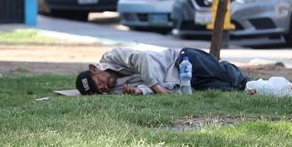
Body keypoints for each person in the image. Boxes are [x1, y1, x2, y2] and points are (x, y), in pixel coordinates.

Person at [75, 47, 249, 95]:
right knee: (227, 90)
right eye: (101, 90)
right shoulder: (115, 91)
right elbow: (144, 87)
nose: (104, 87)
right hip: (181, 81)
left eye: (100, 82)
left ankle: (244, 78)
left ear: (94, 69)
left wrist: (154, 86)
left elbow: (140, 58)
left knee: (228, 75)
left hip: (181, 59)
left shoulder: (111, 56)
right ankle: (251, 87)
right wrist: (139, 91)